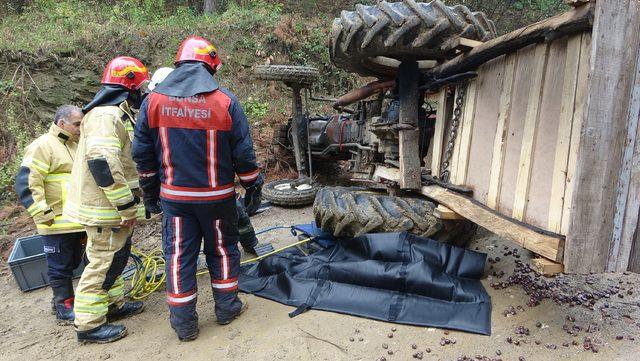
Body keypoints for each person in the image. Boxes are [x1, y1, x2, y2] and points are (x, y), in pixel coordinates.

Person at [132, 36, 263, 341]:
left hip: (175, 200)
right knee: (221, 251)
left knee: (178, 257)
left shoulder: (153, 102)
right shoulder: (226, 101)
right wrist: (252, 186)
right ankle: (228, 308)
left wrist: (150, 194)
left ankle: (184, 325)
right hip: (218, 199)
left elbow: (143, 156)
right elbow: (243, 155)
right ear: (210, 65)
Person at [63, 56, 148, 344]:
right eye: (140, 86)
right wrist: (125, 204)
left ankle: (112, 305)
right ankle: (88, 325)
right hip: (105, 208)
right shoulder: (105, 117)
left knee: (117, 256)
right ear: (130, 86)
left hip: (110, 206)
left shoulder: (114, 113)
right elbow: (102, 162)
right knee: (101, 262)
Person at [14, 105, 86, 325]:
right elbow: (26, 182)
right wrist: (43, 213)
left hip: (77, 220)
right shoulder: (42, 146)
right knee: (60, 267)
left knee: (74, 263)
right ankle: (64, 307)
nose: (80, 128)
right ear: (62, 123)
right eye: (76, 124)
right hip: (55, 221)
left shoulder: (76, 145)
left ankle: (63, 302)